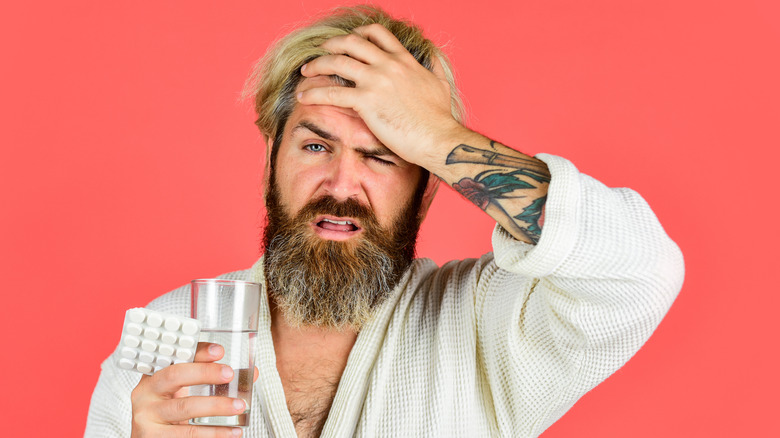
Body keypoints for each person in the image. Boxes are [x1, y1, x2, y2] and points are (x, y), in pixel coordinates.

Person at [85, 5, 684, 438]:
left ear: (428, 190)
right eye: (316, 147)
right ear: (271, 158)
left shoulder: (488, 327)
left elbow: (639, 269)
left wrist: (438, 135)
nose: (342, 186)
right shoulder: (169, 340)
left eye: (382, 157)